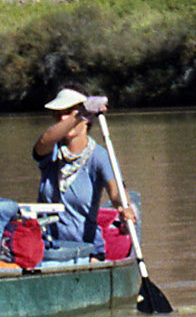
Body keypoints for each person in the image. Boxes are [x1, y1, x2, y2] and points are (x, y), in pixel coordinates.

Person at [32, 87, 131, 253]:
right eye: (58, 115)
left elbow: (116, 191)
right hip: (48, 251)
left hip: (86, 250)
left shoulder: (99, 156)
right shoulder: (51, 151)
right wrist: (78, 115)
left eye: (69, 112)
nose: (63, 118)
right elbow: (43, 142)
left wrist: (124, 207)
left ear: (88, 119)